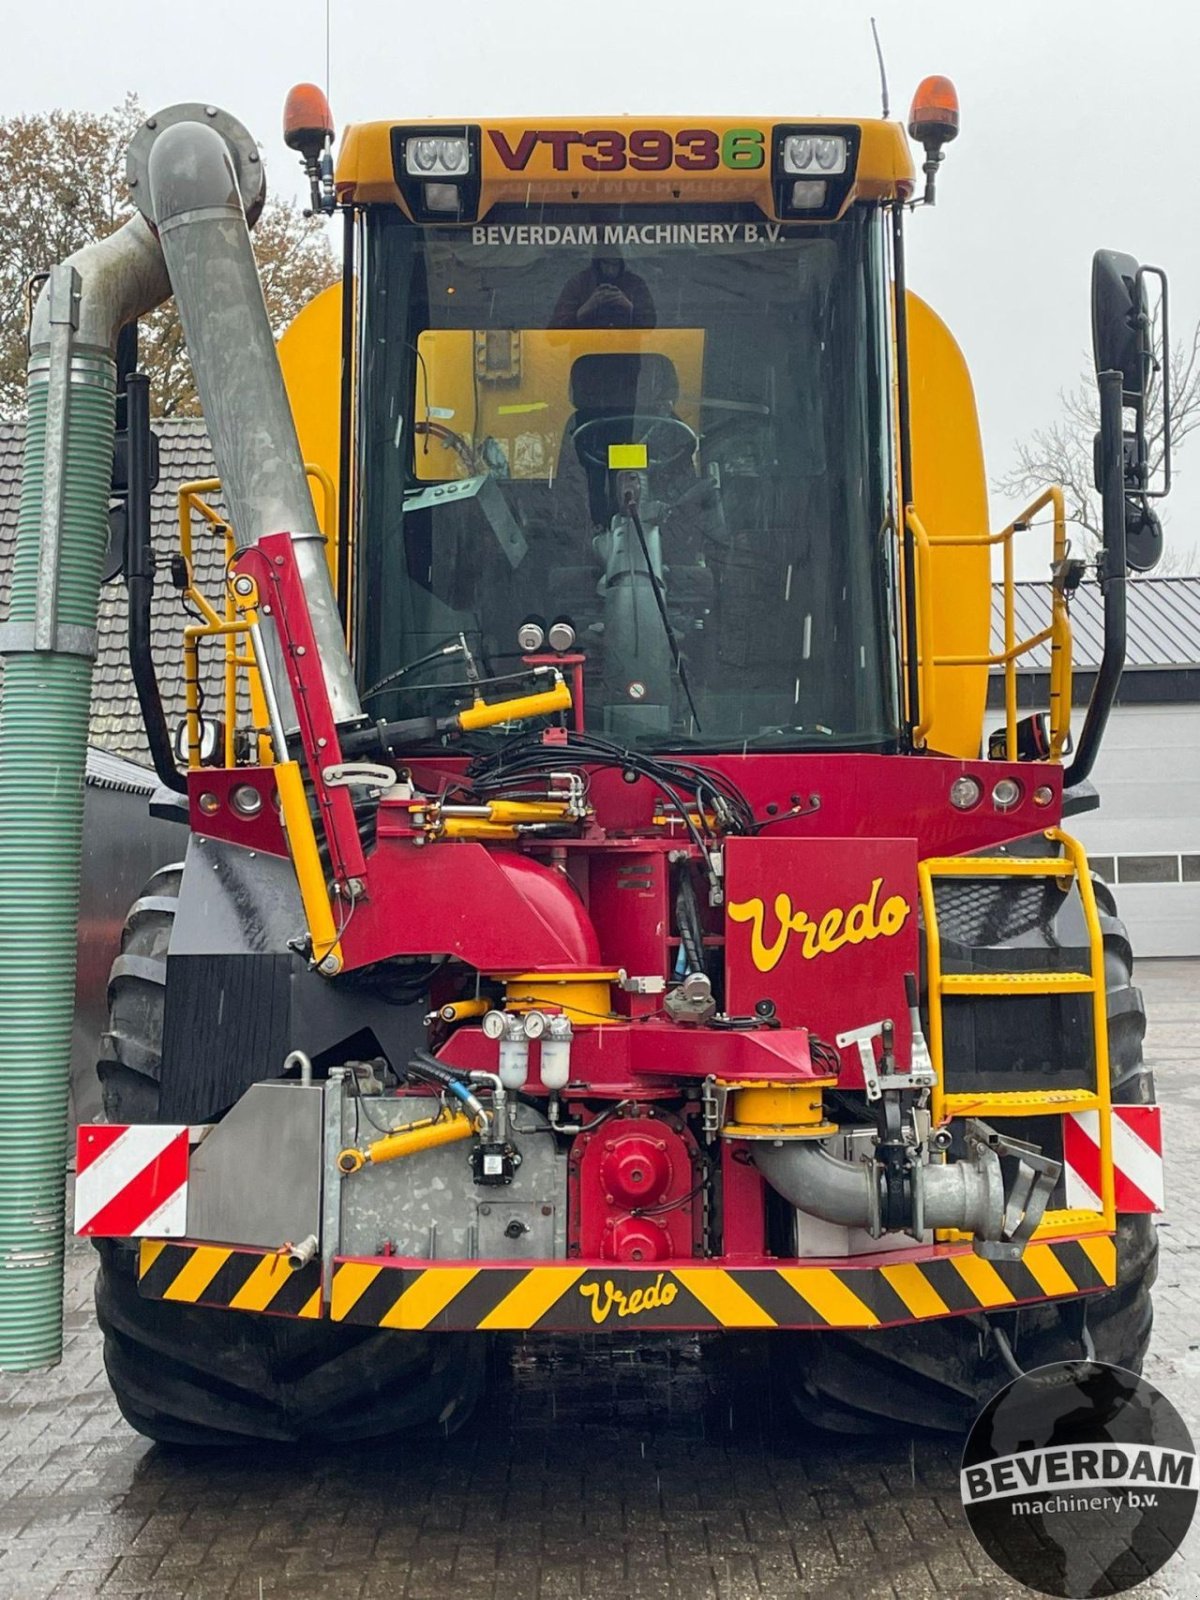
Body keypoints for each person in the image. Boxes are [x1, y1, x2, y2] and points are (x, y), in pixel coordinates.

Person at [549, 252, 656, 329]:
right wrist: (587, 308)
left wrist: (628, 307)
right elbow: (554, 334)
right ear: (597, 263)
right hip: (585, 354)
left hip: (626, 354)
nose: (610, 270)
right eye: (606, 263)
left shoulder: (635, 283)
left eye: (615, 264)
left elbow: (651, 326)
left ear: (621, 263)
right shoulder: (579, 283)